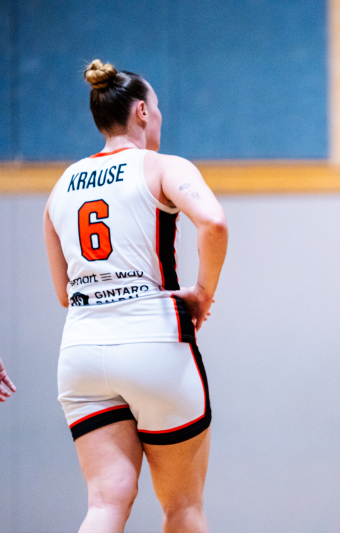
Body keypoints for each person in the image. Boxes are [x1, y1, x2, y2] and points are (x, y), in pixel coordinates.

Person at [43, 60, 227, 533]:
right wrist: (203, 293)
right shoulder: (163, 166)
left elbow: (64, 293)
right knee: (182, 507)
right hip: (153, 341)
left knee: (105, 504)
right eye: (157, 107)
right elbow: (213, 223)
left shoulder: (61, 185)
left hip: (81, 351)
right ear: (142, 111)